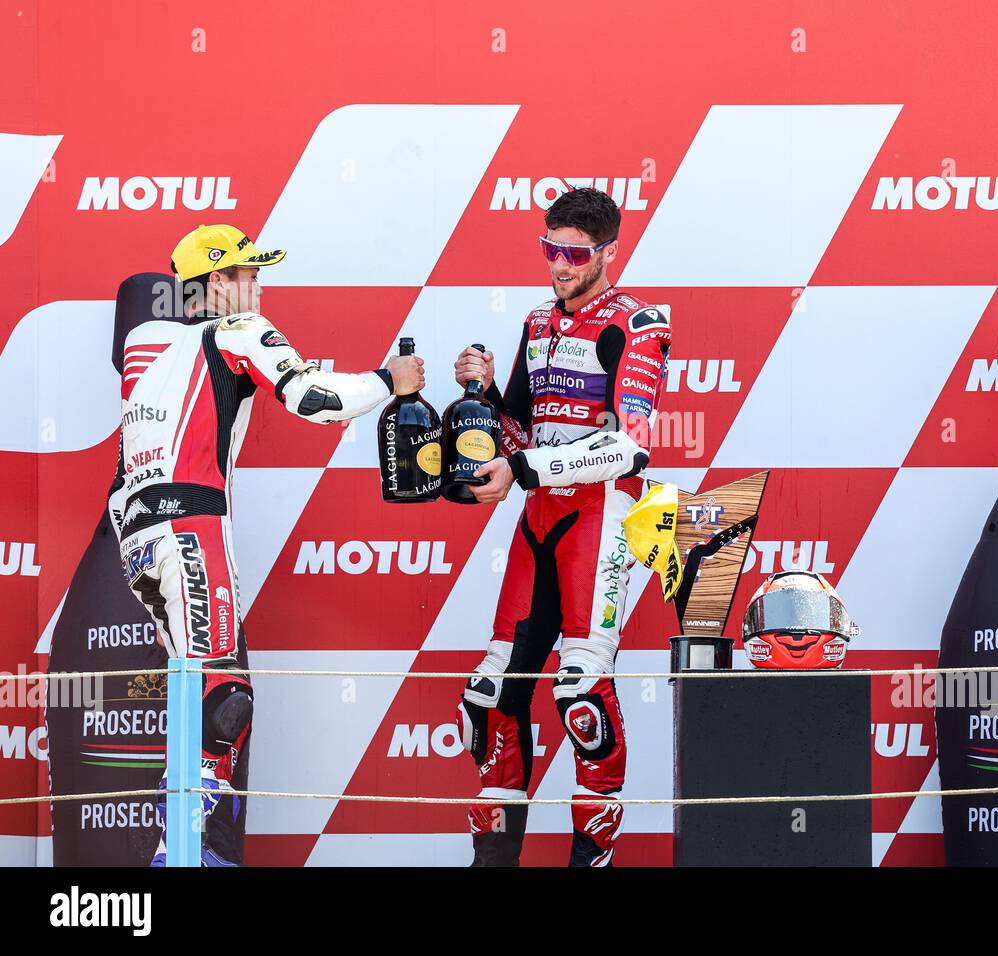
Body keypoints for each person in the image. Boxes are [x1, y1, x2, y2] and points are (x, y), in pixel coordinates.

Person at [110, 223, 424, 865]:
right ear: (218, 283)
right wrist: (389, 380)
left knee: (191, 686)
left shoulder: (155, 355)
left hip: (134, 530)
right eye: (249, 273)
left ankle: (181, 847)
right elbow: (314, 399)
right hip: (188, 519)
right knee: (225, 698)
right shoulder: (237, 330)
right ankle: (185, 855)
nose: (258, 285)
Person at [452, 187, 672, 866]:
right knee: (490, 694)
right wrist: (485, 397)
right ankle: (494, 858)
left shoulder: (636, 325)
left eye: (574, 253)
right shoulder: (538, 321)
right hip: (539, 517)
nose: (560, 264)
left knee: (580, 691)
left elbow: (631, 446)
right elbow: (519, 430)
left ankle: (591, 859)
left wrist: (525, 470)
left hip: (600, 518)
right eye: (551, 249)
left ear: (608, 251)